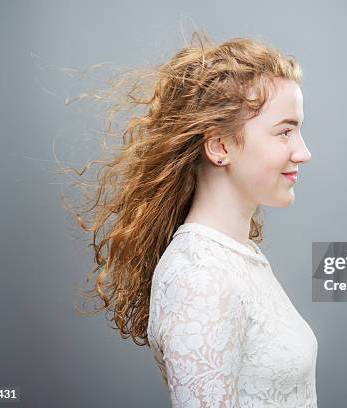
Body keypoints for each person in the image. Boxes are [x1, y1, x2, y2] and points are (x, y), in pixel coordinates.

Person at [67, 31, 316, 407]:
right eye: (285, 132)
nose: (304, 152)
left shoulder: (235, 256)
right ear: (219, 146)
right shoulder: (199, 278)